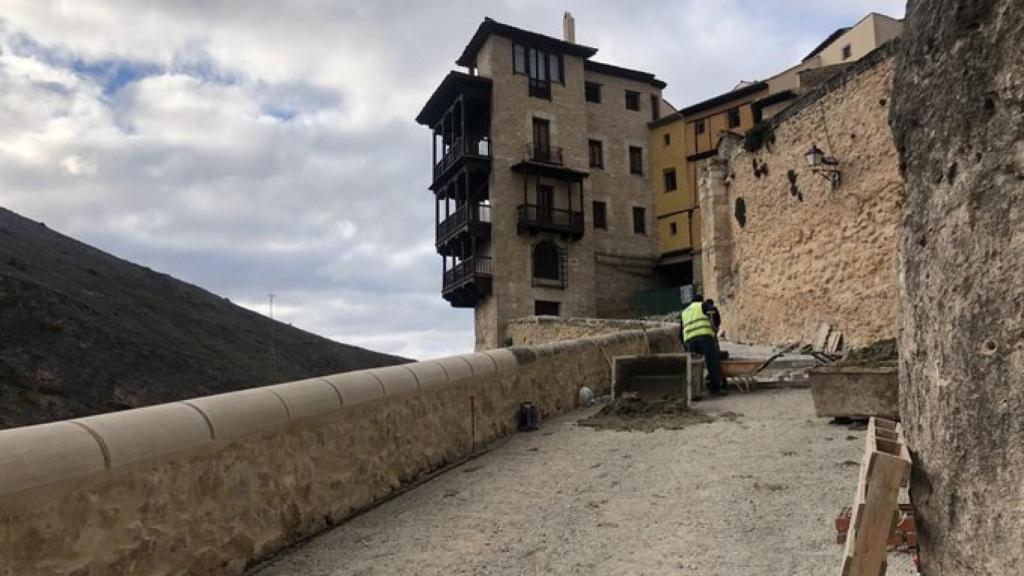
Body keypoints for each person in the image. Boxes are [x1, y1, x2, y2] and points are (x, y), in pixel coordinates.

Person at [680, 294, 726, 396]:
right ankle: (715, 388)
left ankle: (694, 390)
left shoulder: (684, 311)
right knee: (712, 361)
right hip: (704, 338)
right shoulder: (703, 305)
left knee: (694, 365)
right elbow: (713, 310)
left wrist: (684, 345)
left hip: (689, 341)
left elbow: (680, 332)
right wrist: (716, 325)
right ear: (701, 301)